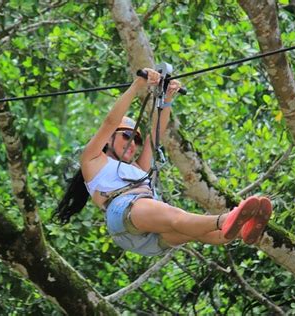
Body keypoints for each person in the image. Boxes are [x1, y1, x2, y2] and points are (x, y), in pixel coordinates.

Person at [56, 68, 272, 256]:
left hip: (150, 236)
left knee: (198, 232)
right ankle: (227, 218)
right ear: (110, 137)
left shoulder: (137, 169)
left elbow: (156, 135)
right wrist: (137, 86)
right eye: (126, 136)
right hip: (124, 212)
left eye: (136, 140)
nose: (133, 144)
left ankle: (242, 228)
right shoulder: (93, 160)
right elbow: (110, 121)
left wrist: (167, 99)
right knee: (179, 217)